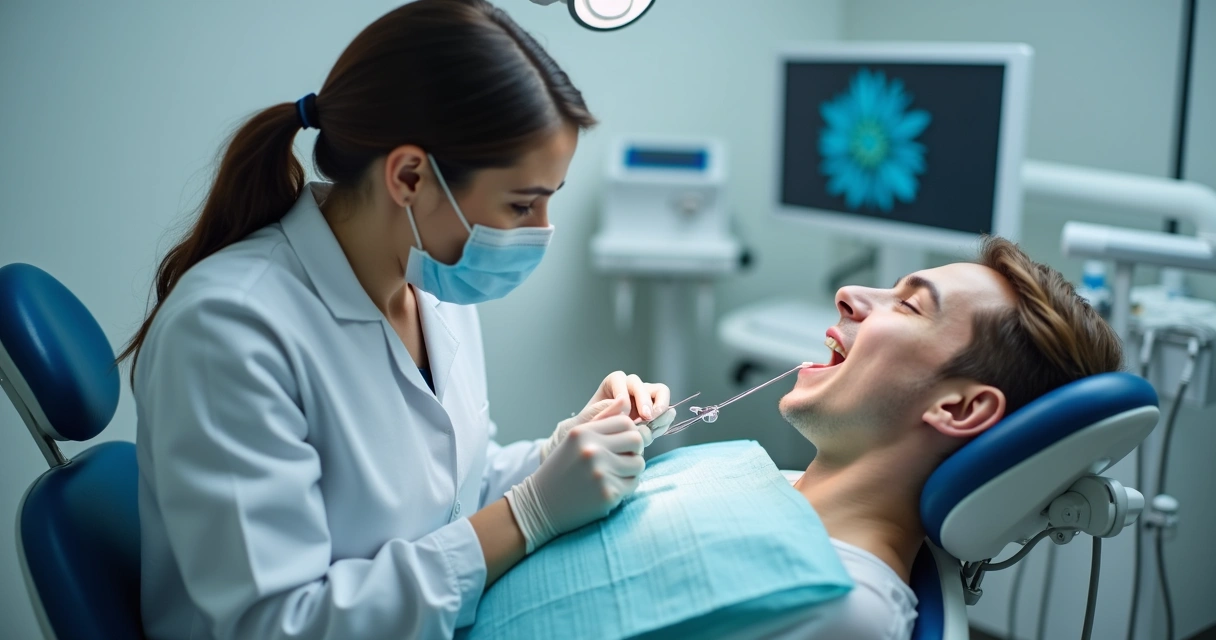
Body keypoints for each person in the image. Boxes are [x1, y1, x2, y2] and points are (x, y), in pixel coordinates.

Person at [119, 2, 674, 638]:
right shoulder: (230, 329)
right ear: (410, 176)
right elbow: (276, 624)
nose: (542, 233)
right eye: (523, 205)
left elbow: (454, 487)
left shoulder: (430, 286)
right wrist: (529, 514)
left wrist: (568, 449)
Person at [767, 236, 1123, 639]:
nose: (847, 294)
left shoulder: (836, 609)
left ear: (958, 409)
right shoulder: (766, 491)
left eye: (908, 305)